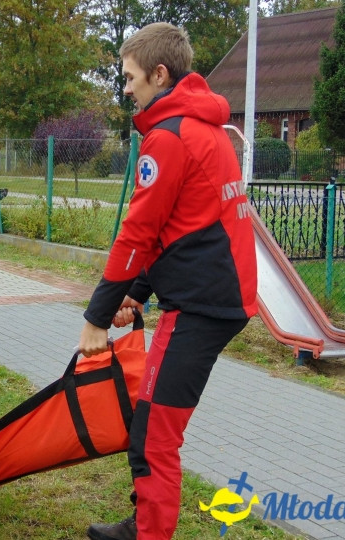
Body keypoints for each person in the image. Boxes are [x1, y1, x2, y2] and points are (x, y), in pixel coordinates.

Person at [78, 23, 258, 540]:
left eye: (131, 78)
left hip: (202, 306)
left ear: (160, 73)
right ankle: (143, 523)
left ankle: (148, 534)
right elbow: (182, 228)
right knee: (152, 421)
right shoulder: (204, 126)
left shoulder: (171, 136)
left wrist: (95, 317)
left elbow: (137, 234)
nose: (126, 89)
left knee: (153, 438)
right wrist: (137, 293)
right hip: (217, 297)